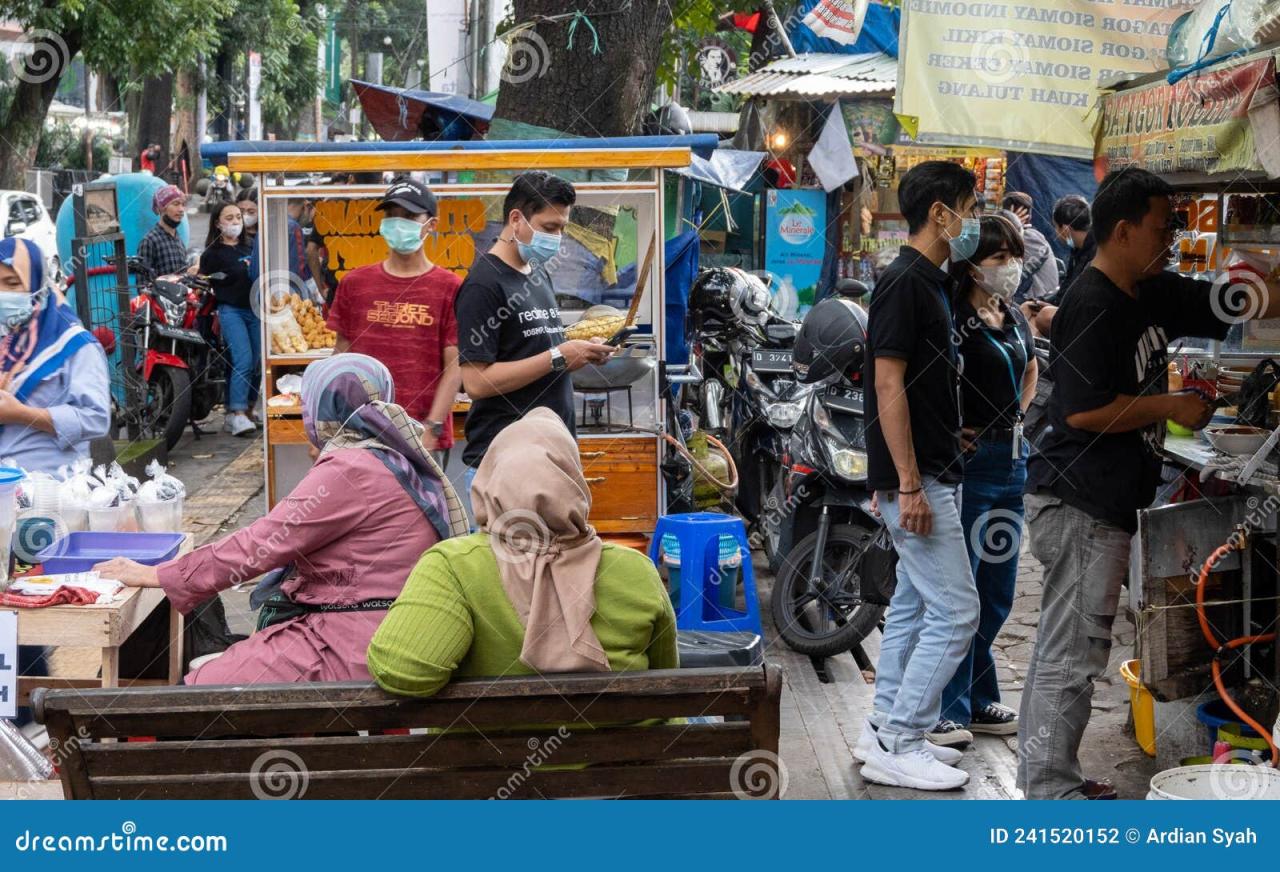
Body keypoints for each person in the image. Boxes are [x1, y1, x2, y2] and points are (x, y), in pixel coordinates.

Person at [1018, 167, 1280, 799]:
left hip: (1104, 500)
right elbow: (1080, 411)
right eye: (1162, 228)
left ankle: (1054, 777)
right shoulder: (1091, 302)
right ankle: (1048, 792)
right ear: (1124, 229)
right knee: (1072, 651)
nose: (1169, 239)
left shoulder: (1149, 288)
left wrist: (1266, 280)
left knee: (1075, 646)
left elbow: (1228, 303)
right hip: (1077, 500)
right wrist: (1170, 407)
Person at [95, 353, 469, 685]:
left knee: (201, 689)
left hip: (349, 640)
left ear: (323, 411)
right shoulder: (388, 456)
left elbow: (260, 544)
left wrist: (158, 574)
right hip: (379, 627)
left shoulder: (352, 467)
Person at [367, 407, 677, 696]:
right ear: (573, 481)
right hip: (628, 754)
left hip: (491, 755)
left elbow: (403, 674)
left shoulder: (455, 566)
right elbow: (666, 680)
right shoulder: (635, 570)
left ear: (490, 480)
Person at [857, 161, 981, 791]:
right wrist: (907, 481)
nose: (975, 220)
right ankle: (903, 739)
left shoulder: (931, 279)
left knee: (912, 604)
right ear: (941, 213)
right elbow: (886, 381)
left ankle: (883, 726)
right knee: (959, 611)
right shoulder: (904, 281)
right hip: (916, 479)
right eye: (970, 206)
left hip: (932, 468)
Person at [925, 214, 1038, 749]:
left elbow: (1032, 366)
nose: (1011, 267)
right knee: (963, 591)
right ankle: (945, 706)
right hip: (970, 467)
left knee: (998, 591)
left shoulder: (1011, 315)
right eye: (1000, 258)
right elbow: (922, 382)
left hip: (1013, 464)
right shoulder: (950, 317)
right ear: (971, 266)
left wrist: (1014, 414)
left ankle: (976, 693)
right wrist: (953, 430)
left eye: (1014, 257)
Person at [0, 237, 111, 722]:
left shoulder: (72, 343)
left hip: (44, 496)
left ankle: (27, 715)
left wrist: (23, 413)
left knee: (23, 603)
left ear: (38, 286)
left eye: (11, 283)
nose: (3, 294)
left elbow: (95, 419)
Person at [454, 171, 614, 491]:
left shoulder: (538, 273)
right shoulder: (484, 284)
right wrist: (559, 357)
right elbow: (476, 382)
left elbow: (534, 346)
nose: (557, 238)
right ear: (516, 219)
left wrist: (583, 347)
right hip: (507, 463)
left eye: (562, 228)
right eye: (549, 228)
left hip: (552, 455)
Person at [326, 179, 462, 458]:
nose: (398, 224)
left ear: (432, 224)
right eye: (391, 216)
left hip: (421, 435)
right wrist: (326, 423)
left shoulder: (450, 287)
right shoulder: (355, 283)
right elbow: (340, 357)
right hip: (360, 433)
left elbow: (455, 365)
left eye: (410, 216)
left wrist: (431, 427)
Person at [199, 201, 258, 436]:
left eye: (238, 217)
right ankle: (237, 412)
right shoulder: (211, 254)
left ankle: (250, 408)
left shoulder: (251, 246)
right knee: (242, 358)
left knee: (256, 361)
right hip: (230, 310)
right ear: (217, 223)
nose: (235, 222)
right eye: (229, 218)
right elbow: (204, 281)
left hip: (255, 309)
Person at [1003, 192, 1058, 304]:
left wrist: (1012, 225)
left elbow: (1015, 279)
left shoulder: (1030, 238)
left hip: (1035, 300)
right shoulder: (1028, 235)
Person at [136, 185, 190, 278]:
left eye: (182, 204)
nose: (181, 209)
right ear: (161, 208)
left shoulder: (178, 238)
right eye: (176, 204)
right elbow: (142, 284)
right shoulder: (149, 241)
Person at [1052, 194, 1095, 302]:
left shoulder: (1096, 253)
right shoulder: (1077, 250)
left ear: (1066, 229)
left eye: (1056, 227)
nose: (1056, 232)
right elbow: (1067, 287)